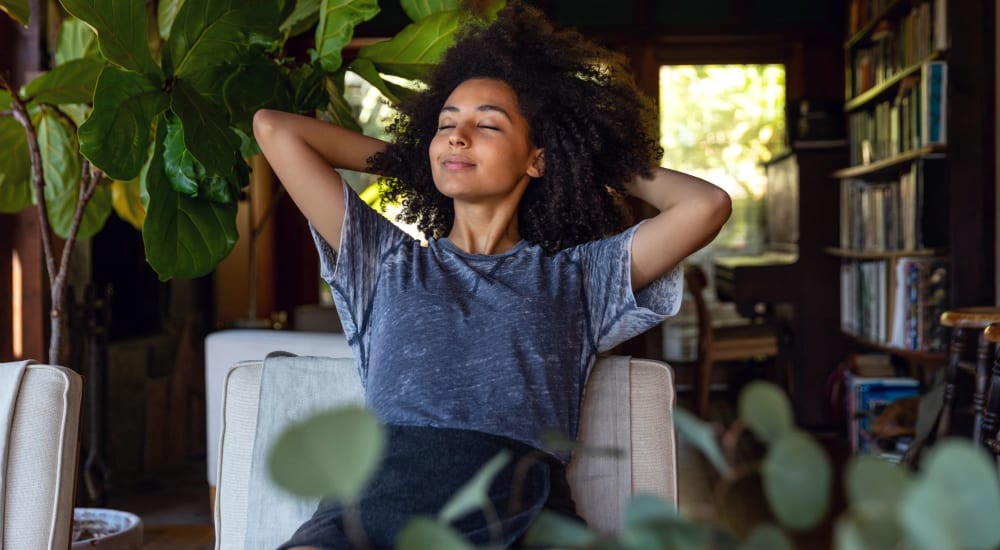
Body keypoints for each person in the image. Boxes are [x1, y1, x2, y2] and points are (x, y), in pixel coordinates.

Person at [253, 3, 731, 548]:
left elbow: (706, 205)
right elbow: (274, 129)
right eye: (445, 124)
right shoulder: (385, 260)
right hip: (372, 505)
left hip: (515, 514)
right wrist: (419, 163)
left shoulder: (578, 279)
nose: (458, 136)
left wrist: (582, 160)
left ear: (536, 159)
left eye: (487, 125)